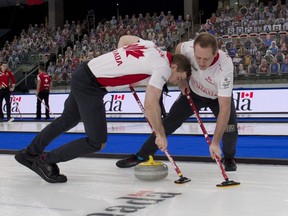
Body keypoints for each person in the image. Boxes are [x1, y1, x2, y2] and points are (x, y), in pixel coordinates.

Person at [14, 35, 191, 183]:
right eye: (179, 77)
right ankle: (45, 160)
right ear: (174, 66)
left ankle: (29, 153)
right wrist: (160, 134)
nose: (176, 81)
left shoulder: (152, 46)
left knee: (68, 119)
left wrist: (123, 67)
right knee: (97, 141)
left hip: (84, 72)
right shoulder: (163, 68)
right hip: (91, 86)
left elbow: (124, 40)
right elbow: (151, 104)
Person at [116, 32, 239, 172]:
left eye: (206, 59)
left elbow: (224, 109)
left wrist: (215, 143)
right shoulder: (188, 48)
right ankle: (141, 155)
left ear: (215, 52)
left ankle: (229, 157)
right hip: (193, 93)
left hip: (218, 98)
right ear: (193, 49)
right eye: (198, 58)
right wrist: (182, 81)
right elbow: (179, 49)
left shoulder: (225, 66)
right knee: (167, 124)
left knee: (230, 129)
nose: (201, 62)